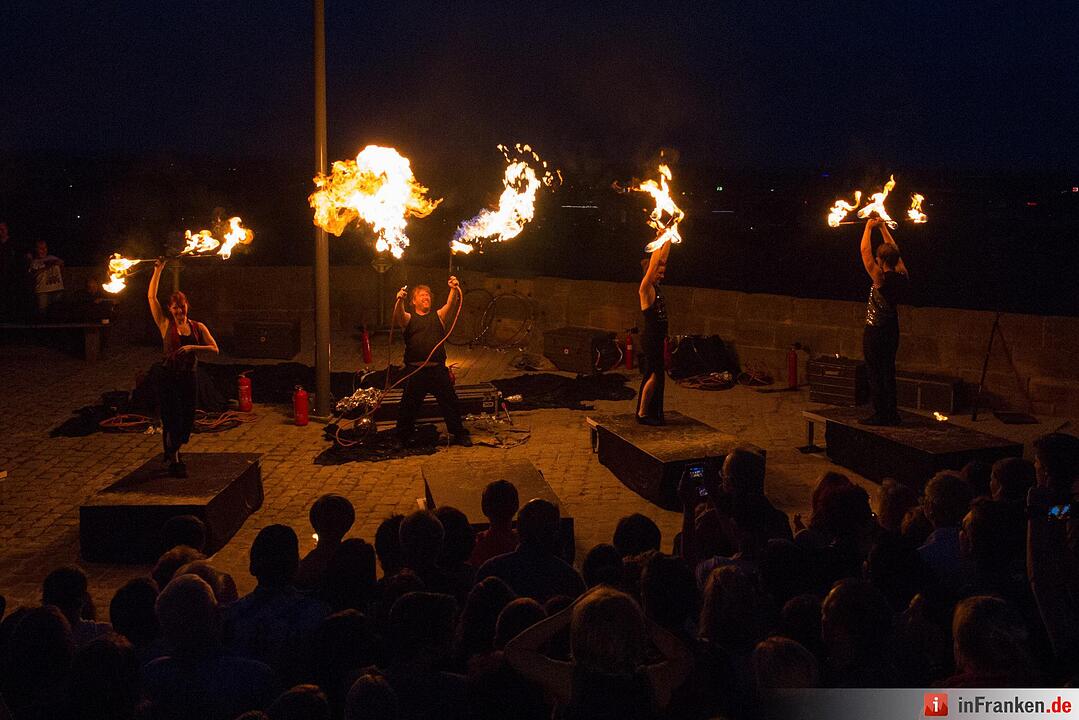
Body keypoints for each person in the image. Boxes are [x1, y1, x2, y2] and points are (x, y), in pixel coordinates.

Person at [504, 586, 692, 719]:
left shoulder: (569, 682)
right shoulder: (652, 682)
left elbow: (515, 650)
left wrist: (568, 613)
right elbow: (681, 657)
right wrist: (639, 620)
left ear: (580, 634)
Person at [148, 258, 219, 477]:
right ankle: (175, 459)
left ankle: (174, 451)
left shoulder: (198, 327)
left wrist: (191, 347)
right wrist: (158, 271)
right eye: (175, 306)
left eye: (182, 305)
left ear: (187, 305)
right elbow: (151, 297)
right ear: (170, 309)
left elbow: (214, 348)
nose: (179, 309)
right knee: (173, 418)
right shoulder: (165, 324)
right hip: (168, 378)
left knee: (187, 419)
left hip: (189, 377)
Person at [393, 277, 471, 447]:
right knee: (407, 406)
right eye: (421, 295)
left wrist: (452, 289)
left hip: (437, 371)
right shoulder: (408, 318)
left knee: (450, 402)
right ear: (413, 301)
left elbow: (450, 306)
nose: (426, 297)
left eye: (428, 295)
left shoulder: (438, 316)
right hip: (415, 372)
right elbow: (398, 315)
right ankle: (401, 438)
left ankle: (459, 434)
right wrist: (399, 300)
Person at [858, 217, 909, 425]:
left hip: (875, 333)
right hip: (892, 331)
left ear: (881, 259)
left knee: (875, 373)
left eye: (878, 258)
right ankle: (892, 413)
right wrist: (884, 227)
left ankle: (881, 414)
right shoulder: (903, 274)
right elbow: (894, 251)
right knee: (889, 371)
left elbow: (864, 252)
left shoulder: (880, 278)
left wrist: (868, 228)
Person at [637, 238, 673, 425]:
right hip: (651, 339)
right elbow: (653, 265)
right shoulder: (646, 289)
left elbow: (662, 260)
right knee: (654, 374)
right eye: (659, 273)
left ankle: (651, 412)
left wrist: (667, 236)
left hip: (658, 339)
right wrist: (659, 241)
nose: (662, 276)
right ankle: (642, 413)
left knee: (657, 375)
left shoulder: (656, 288)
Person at [27, 239, 64, 316]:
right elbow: (34, 274)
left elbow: (61, 263)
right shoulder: (35, 262)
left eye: (45, 248)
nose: (43, 250)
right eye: (41, 248)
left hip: (57, 289)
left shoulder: (52, 257)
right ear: (36, 249)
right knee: (43, 312)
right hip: (42, 291)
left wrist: (58, 263)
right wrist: (49, 265)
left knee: (57, 312)